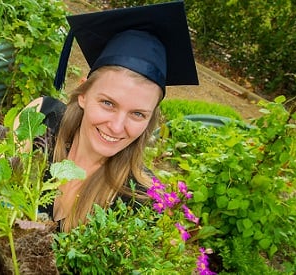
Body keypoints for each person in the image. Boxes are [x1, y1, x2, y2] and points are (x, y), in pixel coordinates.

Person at [14, 1, 199, 232]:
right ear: (83, 94)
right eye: (108, 103)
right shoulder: (39, 121)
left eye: (138, 114)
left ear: (150, 120)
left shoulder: (138, 202)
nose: (117, 126)